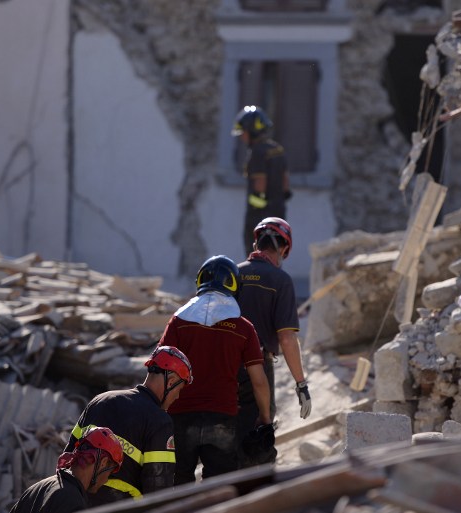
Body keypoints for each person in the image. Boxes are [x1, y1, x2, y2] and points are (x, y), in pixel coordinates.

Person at [159, 255, 272, 484]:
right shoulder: (244, 328)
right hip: (223, 417)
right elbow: (259, 380)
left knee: (178, 484)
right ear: (234, 286)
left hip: (180, 416)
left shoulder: (179, 320)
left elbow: (160, 367)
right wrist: (266, 417)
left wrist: (156, 411)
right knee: (217, 489)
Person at [63, 345, 193, 505]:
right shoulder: (160, 421)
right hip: (122, 506)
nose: (178, 396)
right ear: (171, 381)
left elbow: (68, 457)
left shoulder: (101, 400)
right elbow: (158, 486)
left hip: (78, 502)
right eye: (179, 389)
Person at [236, 216, 311, 468]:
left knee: (226, 432)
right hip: (258, 368)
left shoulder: (233, 273)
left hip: (222, 366)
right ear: (285, 248)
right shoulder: (280, 280)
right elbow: (287, 338)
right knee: (259, 435)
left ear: (257, 242)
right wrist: (301, 384)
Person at [10, 426, 124, 513]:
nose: (105, 481)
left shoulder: (39, 488)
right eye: (109, 474)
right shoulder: (72, 502)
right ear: (103, 463)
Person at [232, 105, 292, 256]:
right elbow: (285, 182)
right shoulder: (277, 149)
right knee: (275, 255)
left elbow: (260, 182)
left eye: (243, 132)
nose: (241, 136)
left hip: (259, 216)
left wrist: (255, 208)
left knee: (255, 255)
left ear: (251, 130)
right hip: (279, 213)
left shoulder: (257, 152)